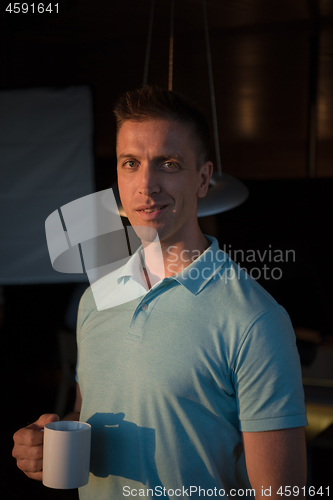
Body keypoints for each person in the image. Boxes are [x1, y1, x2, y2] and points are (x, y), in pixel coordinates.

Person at [13, 86, 308, 499]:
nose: (146, 185)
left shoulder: (254, 319)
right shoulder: (94, 300)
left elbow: (283, 493)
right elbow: (88, 412)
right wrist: (50, 443)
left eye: (168, 164)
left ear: (203, 179)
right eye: (130, 163)